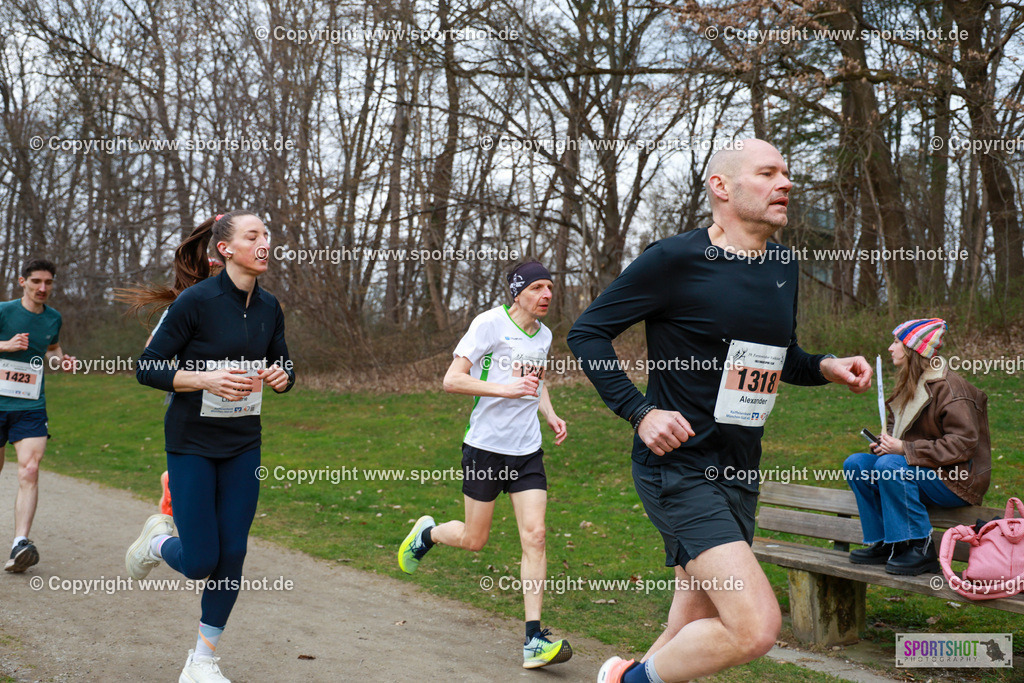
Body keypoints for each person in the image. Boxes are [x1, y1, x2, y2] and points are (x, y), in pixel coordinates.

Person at [566, 140, 873, 683]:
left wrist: (823, 365)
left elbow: (778, 358)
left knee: (696, 616)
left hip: (738, 470)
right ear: (722, 187)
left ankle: (626, 676)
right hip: (679, 468)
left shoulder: (781, 263)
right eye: (768, 173)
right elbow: (587, 332)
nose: (786, 183)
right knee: (753, 627)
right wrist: (640, 412)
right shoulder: (673, 261)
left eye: (787, 173)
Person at [124, 212, 294, 682]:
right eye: (253, 236)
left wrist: (284, 377)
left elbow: (284, 362)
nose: (265, 243)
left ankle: (201, 660)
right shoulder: (195, 302)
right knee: (200, 561)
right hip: (192, 444)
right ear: (225, 248)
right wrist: (204, 379)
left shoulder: (269, 307)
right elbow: (147, 368)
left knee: (233, 553)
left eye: (267, 235)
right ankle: (159, 540)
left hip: (244, 444)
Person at [398, 260, 573, 670]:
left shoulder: (544, 334)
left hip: (526, 449)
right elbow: (452, 380)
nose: (546, 294)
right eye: (537, 288)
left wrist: (548, 412)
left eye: (550, 287)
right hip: (485, 449)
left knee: (536, 534)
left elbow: (536, 380)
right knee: (475, 539)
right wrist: (504, 390)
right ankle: (428, 534)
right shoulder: (489, 324)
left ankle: (533, 638)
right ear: (518, 293)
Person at [844, 318, 990, 575]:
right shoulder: (909, 384)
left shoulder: (950, 388)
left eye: (897, 342)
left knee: (891, 465)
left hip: (955, 479)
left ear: (914, 349)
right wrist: (885, 445)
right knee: (856, 465)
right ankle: (885, 543)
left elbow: (964, 444)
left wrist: (904, 450)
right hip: (918, 469)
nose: (890, 348)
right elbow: (899, 438)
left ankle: (921, 548)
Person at [0, 259, 75, 572]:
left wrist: (61, 360)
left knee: (30, 469)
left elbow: (52, 350)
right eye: (36, 282)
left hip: (30, 404)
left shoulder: (53, 318)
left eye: (48, 282)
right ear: (22, 282)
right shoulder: (4, 311)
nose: (42, 288)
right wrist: (6, 344)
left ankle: (20, 544)